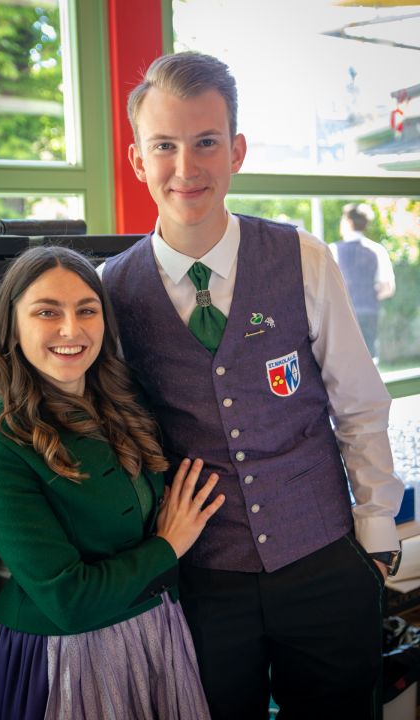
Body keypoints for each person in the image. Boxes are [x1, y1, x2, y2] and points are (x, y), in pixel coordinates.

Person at [99, 52, 404, 720]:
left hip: (324, 557)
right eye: (165, 146)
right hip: (199, 579)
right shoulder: (109, 290)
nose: (186, 167)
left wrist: (377, 530)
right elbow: (79, 412)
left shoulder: (303, 258)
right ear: (138, 160)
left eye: (206, 142)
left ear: (236, 151)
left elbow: (357, 402)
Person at [0, 245, 225, 720]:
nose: (71, 329)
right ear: (11, 327)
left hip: (159, 629)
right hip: (71, 657)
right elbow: (69, 601)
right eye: (47, 312)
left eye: (87, 310)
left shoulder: (127, 401)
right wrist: (169, 544)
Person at [330, 202, 396, 360]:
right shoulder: (377, 250)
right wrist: (368, 294)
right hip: (370, 312)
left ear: (348, 222)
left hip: (344, 314)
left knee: (345, 359)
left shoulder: (333, 250)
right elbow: (388, 288)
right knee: (369, 359)